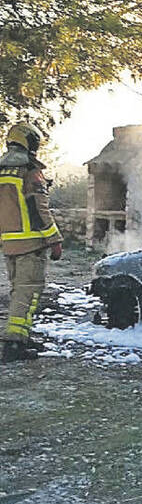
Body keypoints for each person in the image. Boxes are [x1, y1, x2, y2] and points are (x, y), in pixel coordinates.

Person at [0, 122, 63, 362]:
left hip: (10, 244)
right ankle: (14, 344)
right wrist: (54, 240)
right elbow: (39, 210)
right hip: (32, 245)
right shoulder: (29, 171)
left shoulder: (2, 170)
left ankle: (22, 338)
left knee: (19, 291)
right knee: (27, 294)